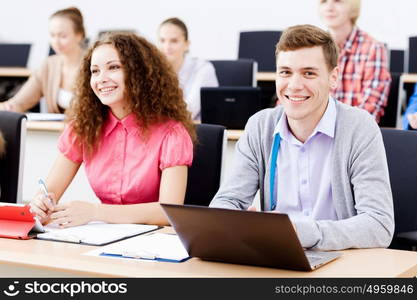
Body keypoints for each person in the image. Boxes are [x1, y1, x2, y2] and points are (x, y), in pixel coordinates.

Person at [210, 24, 394, 251]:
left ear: (333, 77)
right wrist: (236, 221)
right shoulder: (260, 126)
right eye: (285, 72)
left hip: (341, 260)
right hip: (276, 257)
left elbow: (378, 225)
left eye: (309, 73)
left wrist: (300, 232)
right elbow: (227, 201)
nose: (295, 85)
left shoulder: (359, 128)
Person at [30, 32, 195, 227]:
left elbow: (169, 211)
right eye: (95, 71)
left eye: (114, 67)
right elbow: (49, 191)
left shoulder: (171, 134)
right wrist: (40, 204)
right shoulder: (83, 127)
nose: (101, 79)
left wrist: (95, 212)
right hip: (102, 238)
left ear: (138, 73)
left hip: (153, 244)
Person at [0, 7, 86, 113]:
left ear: (79, 35)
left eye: (63, 36)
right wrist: (9, 107)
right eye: (52, 35)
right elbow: (20, 102)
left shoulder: (93, 64)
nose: (56, 42)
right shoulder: (49, 65)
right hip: (58, 129)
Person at [318, 0, 391, 123]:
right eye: (324, 1)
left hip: (352, 134)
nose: (329, 7)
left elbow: (369, 110)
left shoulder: (373, 48)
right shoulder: (312, 48)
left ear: (353, 7)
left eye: (337, 1)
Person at [158, 17, 218, 121]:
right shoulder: (153, 70)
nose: (167, 46)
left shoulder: (203, 69)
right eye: (162, 40)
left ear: (186, 44)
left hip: (194, 133)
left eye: (174, 41)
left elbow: (187, 113)